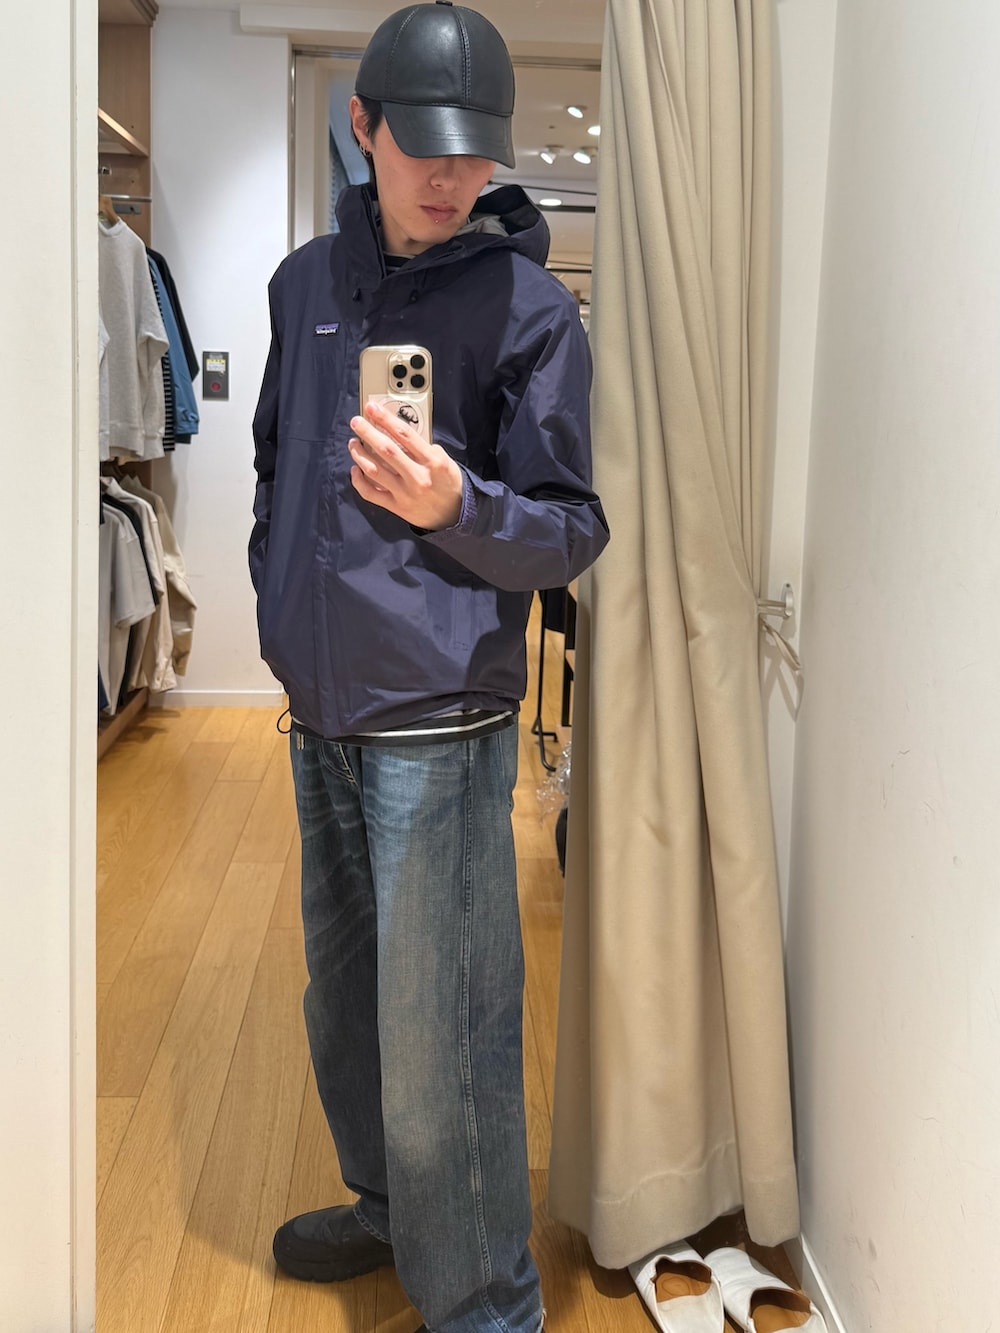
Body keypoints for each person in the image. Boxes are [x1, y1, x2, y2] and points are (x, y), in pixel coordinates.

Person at [249, 4, 609, 1331]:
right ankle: (393, 1210)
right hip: (320, 712)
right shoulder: (304, 285)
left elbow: (572, 529)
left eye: (474, 152)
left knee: (442, 1031)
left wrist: (460, 503)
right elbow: (276, 459)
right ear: (364, 127)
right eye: (423, 148)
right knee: (345, 1005)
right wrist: (274, 595)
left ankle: (485, 1302)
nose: (451, 178)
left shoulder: (529, 309)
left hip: (442, 720)